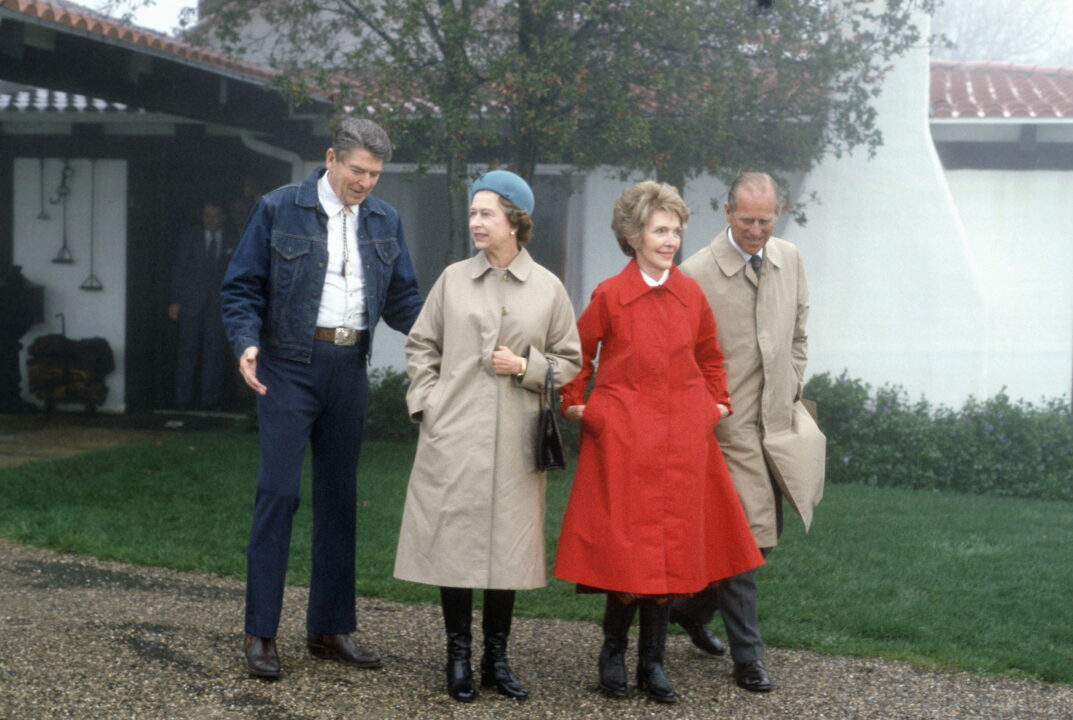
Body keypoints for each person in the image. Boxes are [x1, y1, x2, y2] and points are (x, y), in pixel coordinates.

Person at [220, 117, 423, 679]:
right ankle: (260, 632)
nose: (365, 183)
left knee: (339, 499)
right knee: (278, 494)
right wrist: (246, 342)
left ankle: (330, 628)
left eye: (375, 174)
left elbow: (404, 303)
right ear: (331, 158)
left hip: (348, 368)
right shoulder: (278, 208)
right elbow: (240, 287)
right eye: (357, 170)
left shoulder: (386, 220)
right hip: (287, 365)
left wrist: (455, 325)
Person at [553, 181, 764, 703]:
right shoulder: (610, 294)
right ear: (634, 234)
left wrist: (715, 406)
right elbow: (576, 355)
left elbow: (713, 358)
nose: (670, 240)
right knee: (629, 557)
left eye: (676, 230)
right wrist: (580, 406)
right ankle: (613, 655)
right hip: (623, 442)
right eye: (660, 230)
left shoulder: (691, 294)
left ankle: (654, 663)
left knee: (669, 556)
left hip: (681, 447)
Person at [394, 170, 582, 703]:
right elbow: (420, 346)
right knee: (453, 545)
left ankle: (496, 660)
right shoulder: (453, 279)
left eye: (486, 214)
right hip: (453, 437)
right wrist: (426, 405)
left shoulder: (548, 288)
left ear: (515, 221)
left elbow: (569, 363)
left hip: (517, 443)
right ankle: (458, 659)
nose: (476, 222)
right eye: (473, 213)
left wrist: (524, 365)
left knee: (508, 550)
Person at [674, 172, 826, 693]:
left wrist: (791, 384)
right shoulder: (695, 274)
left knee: (763, 541)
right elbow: (684, 359)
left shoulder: (792, 259)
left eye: (766, 219)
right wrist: (708, 413)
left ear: (777, 212)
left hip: (778, 428)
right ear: (726, 211)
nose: (758, 230)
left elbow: (800, 333)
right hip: (728, 431)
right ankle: (749, 658)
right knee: (745, 545)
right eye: (747, 219)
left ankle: (688, 610)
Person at [169, 199, 233, 410]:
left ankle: (210, 401)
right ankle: (183, 399)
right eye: (207, 216)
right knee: (187, 350)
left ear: (222, 217)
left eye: (215, 216)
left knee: (213, 353)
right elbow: (180, 269)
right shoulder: (191, 237)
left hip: (218, 304)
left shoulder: (232, 238)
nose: (211, 220)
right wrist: (175, 301)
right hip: (191, 303)